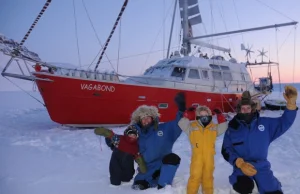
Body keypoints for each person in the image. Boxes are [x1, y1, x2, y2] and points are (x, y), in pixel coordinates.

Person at [221, 85, 298, 194]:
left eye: (248, 108)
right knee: (244, 188)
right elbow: (226, 150)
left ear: (252, 109)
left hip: (262, 167)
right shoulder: (233, 129)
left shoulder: (265, 124)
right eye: (243, 108)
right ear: (239, 110)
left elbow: (284, 123)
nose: (246, 111)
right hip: (242, 168)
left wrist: (291, 105)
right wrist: (239, 163)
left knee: (274, 192)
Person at [131, 92, 187, 190]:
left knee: (173, 158)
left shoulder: (164, 129)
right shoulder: (136, 134)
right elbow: (124, 143)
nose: (146, 120)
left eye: (148, 117)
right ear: (139, 121)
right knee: (139, 185)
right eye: (143, 118)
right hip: (146, 169)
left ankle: (164, 187)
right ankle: (148, 182)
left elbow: (179, 124)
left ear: (153, 118)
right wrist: (111, 141)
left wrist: (181, 110)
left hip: (164, 165)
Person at [179, 106, 228, 194]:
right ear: (197, 116)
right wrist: (187, 115)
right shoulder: (192, 127)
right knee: (194, 176)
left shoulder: (213, 127)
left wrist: (220, 116)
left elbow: (223, 127)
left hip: (209, 158)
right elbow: (182, 124)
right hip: (197, 158)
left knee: (208, 177)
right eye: (201, 115)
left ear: (210, 115)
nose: (204, 117)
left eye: (206, 115)